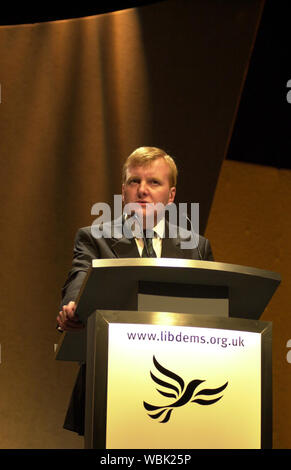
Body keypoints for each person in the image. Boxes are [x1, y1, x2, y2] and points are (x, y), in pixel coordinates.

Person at [57, 146, 214, 435]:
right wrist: (73, 306)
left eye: (154, 182)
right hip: (113, 378)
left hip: (179, 385)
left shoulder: (197, 246)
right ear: (124, 191)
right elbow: (79, 277)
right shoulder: (94, 237)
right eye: (134, 181)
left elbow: (212, 311)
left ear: (171, 196)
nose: (142, 190)